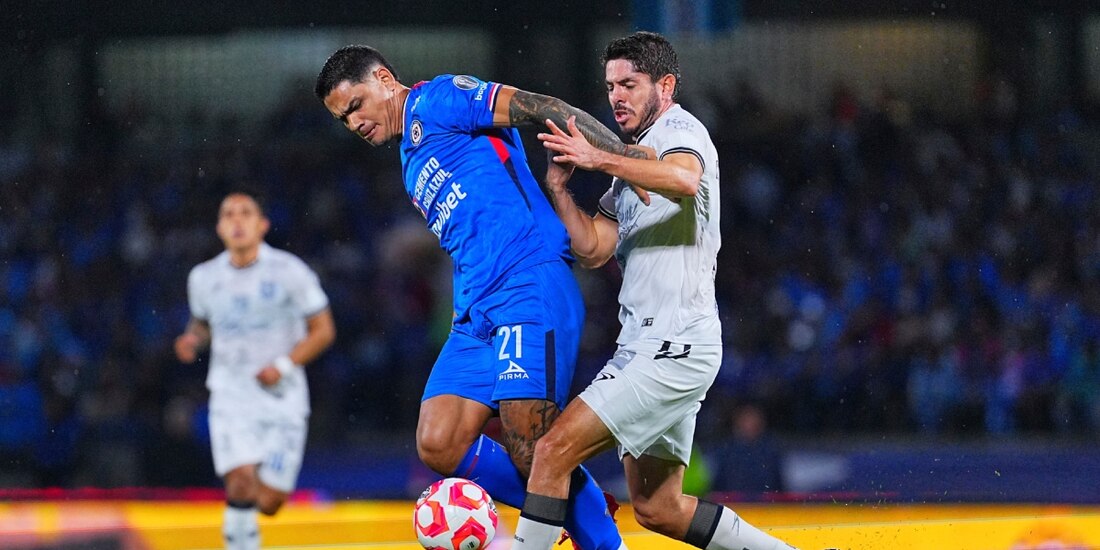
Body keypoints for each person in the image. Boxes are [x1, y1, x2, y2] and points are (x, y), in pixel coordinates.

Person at [314, 45, 648, 550]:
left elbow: (542, 107)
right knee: (439, 441)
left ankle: (594, 531)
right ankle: (570, 498)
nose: (353, 122)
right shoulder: (409, 160)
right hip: (475, 314)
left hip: (526, 286)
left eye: (355, 105)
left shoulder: (442, 99)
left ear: (383, 79)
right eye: (342, 119)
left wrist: (622, 158)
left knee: (530, 446)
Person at [510, 32, 799, 550]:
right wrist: (559, 189)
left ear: (665, 86)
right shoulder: (629, 168)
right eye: (610, 86)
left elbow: (684, 180)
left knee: (551, 451)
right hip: (652, 344)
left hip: (672, 345)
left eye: (629, 84)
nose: (616, 97)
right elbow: (593, 248)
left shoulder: (680, 130)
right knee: (658, 508)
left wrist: (600, 158)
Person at [175, 191, 336, 550]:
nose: (237, 220)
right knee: (240, 483)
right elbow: (202, 323)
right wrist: (192, 340)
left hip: (282, 398)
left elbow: (324, 330)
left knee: (270, 501)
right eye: (228, 214)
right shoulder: (203, 277)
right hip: (231, 394)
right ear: (219, 227)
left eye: (245, 213)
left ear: (262, 225)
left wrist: (282, 365)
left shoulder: (290, 271)